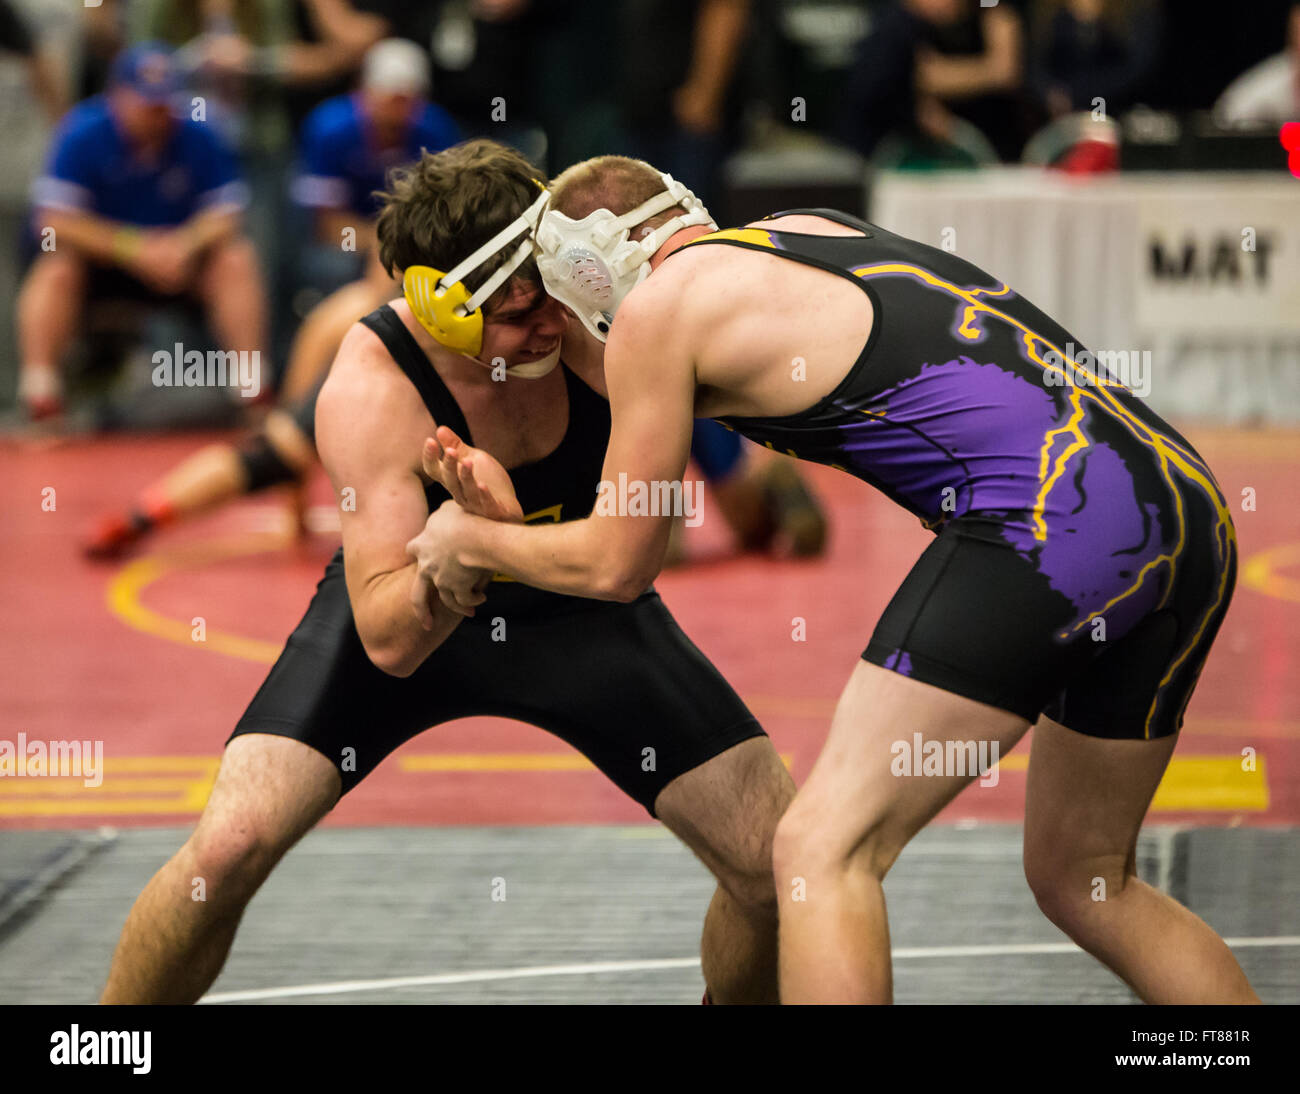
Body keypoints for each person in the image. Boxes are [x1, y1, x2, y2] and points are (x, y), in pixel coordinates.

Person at [408, 154, 1259, 1005]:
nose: (562, 334)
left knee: (820, 850)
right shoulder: (808, 234)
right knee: (1088, 878)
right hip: (1183, 509)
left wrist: (475, 541)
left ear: (590, 275)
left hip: (1052, 523)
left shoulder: (659, 311)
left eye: (560, 308)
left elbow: (620, 561)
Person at [99, 140, 795, 1005]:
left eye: (549, 297)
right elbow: (389, 640)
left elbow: (638, 552)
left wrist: (497, 540)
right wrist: (463, 556)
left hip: (582, 602)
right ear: (446, 307)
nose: (546, 326)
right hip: (416, 605)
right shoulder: (373, 385)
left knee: (778, 870)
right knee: (226, 848)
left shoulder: (593, 325)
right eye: (514, 314)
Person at [17, 42, 267, 422]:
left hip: (179, 265)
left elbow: (227, 215)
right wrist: (133, 248)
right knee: (55, 269)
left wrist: (183, 245)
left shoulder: (200, 131)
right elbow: (52, 222)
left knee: (235, 258)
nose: (158, 113)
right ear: (117, 95)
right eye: (147, 102)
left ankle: (252, 393)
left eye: (165, 102)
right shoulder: (82, 131)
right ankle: (41, 399)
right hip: (103, 270)